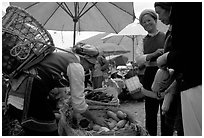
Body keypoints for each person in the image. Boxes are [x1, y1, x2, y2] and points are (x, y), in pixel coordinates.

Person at [5, 50, 107, 136]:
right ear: (85, 59)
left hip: (16, 91)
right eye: (90, 65)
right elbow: (78, 104)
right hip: (27, 94)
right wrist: (95, 119)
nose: (88, 69)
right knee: (48, 130)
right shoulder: (76, 66)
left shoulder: (65, 56)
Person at [155, 2, 202, 136]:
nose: (159, 18)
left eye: (159, 13)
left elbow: (189, 51)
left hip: (194, 84)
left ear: (169, 8)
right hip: (186, 81)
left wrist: (167, 58)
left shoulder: (185, 14)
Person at [136, 9, 166, 136]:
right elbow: (138, 59)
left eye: (149, 20)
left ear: (155, 20)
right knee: (150, 113)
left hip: (165, 75)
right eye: (144, 22)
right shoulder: (142, 41)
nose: (147, 24)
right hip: (149, 76)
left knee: (166, 112)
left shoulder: (166, 36)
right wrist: (152, 55)